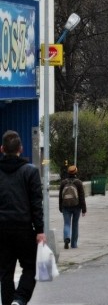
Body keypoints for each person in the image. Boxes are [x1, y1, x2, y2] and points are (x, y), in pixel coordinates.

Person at [0, 130, 46, 305]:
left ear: (2, 148)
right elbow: (36, 202)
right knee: (31, 266)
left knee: (5, 272)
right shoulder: (30, 172)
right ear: (21, 148)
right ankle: (19, 300)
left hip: (1, 229)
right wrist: (40, 230)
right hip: (23, 229)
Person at [59, 164, 86, 249]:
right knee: (75, 224)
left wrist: (60, 207)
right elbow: (82, 196)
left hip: (65, 206)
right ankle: (74, 244)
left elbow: (60, 196)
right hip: (76, 206)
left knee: (66, 224)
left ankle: (67, 237)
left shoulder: (63, 182)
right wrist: (84, 209)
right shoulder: (78, 183)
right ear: (76, 172)